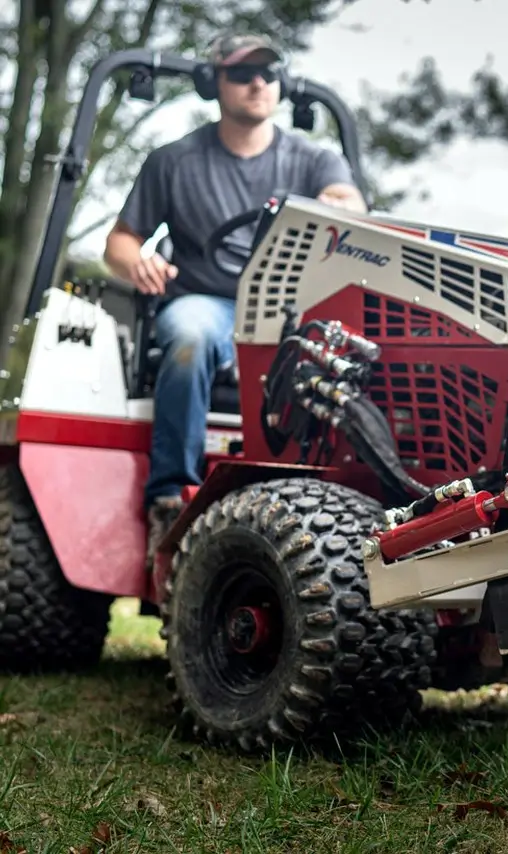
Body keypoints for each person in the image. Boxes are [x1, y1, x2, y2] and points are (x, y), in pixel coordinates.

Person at [103, 32, 367, 570]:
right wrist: (138, 262)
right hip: (207, 303)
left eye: (269, 74)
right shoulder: (173, 161)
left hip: (290, 315)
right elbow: (120, 242)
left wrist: (337, 205)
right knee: (189, 336)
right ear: (213, 83)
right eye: (243, 74)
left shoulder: (314, 160)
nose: (258, 83)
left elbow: (350, 204)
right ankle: (169, 497)